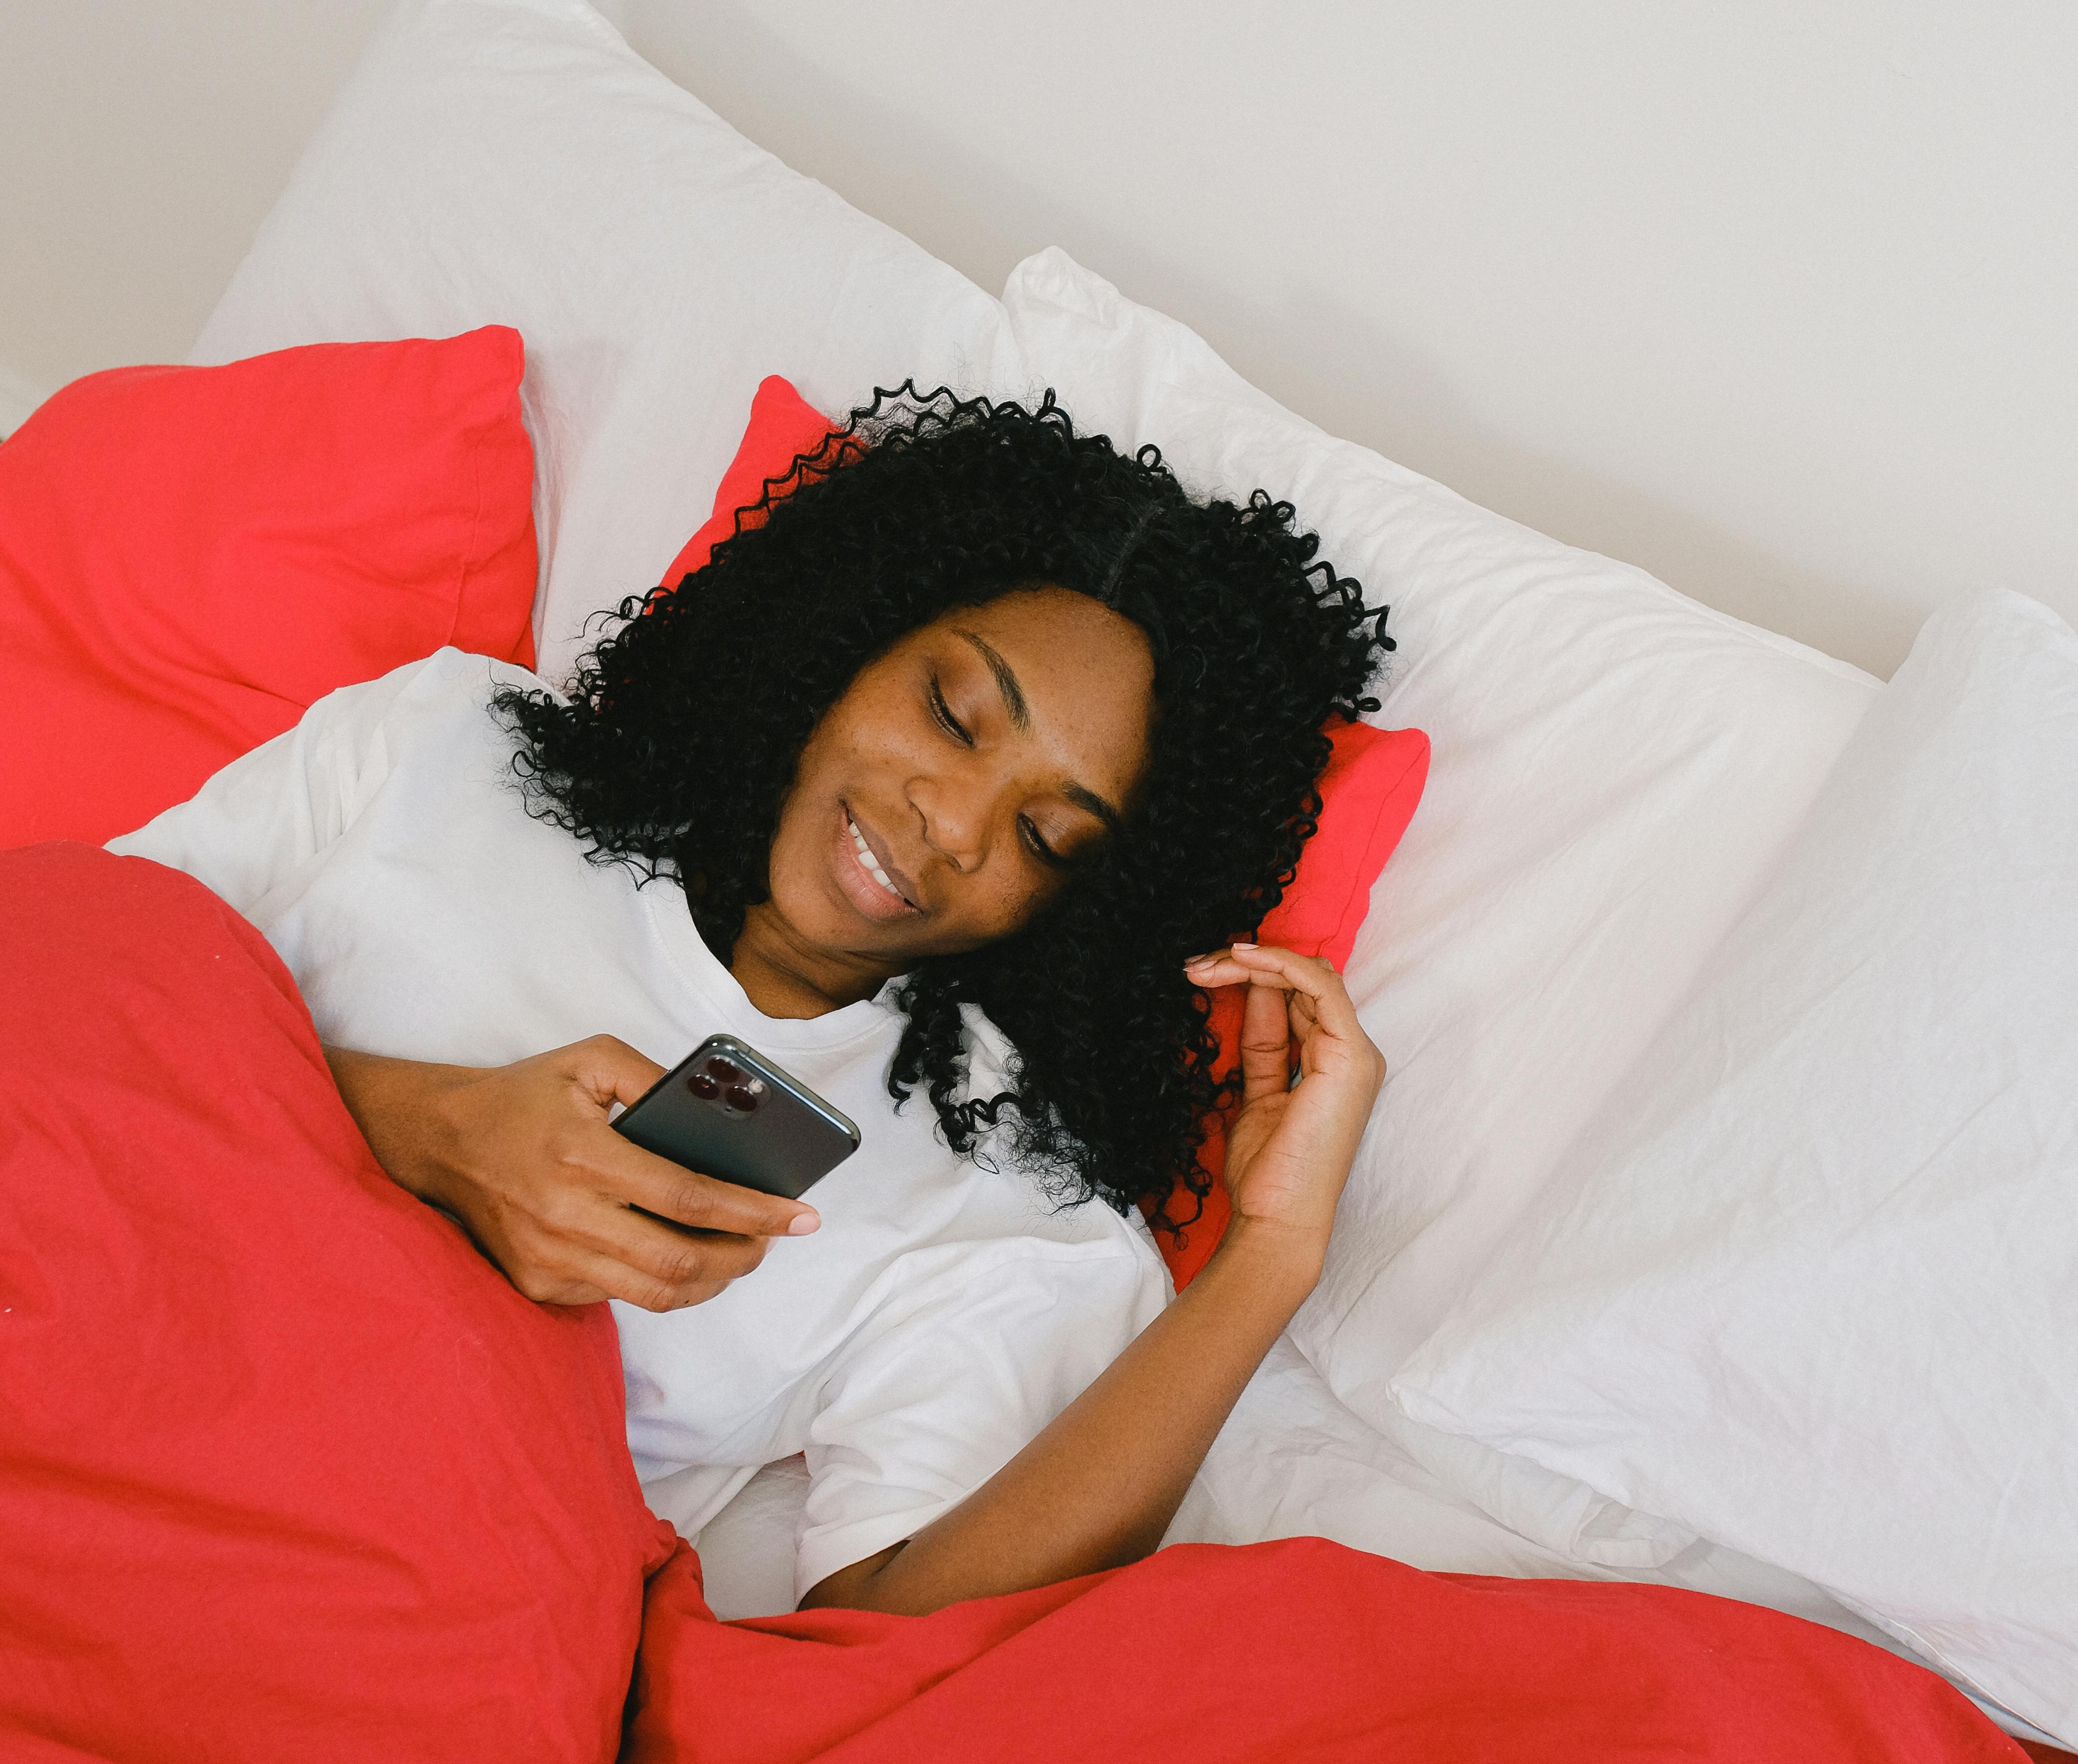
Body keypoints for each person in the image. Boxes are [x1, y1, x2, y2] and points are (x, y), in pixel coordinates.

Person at [112, 388, 1391, 1617]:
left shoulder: (1000, 1200)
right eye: (952, 713)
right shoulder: (451, 750)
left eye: (1048, 838)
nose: (950, 823)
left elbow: (897, 1637)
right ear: (845, 637)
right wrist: (421, 1127)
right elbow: (63, 986)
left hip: (374, 1598)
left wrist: (1266, 1263)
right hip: (97, 1340)